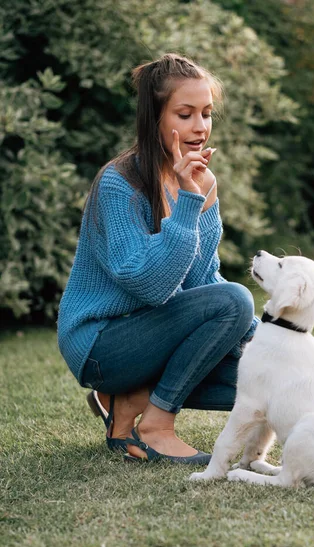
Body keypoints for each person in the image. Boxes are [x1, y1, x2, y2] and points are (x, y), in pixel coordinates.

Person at [57, 53, 258, 465]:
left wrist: (260, 338)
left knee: (260, 380)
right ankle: (156, 424)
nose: (200, 127)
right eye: (185, 114)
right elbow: (150, 284)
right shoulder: (119, 183)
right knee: (236, 299)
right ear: (155, 117)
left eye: (206, 113)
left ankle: (129, 400)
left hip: (154, 337)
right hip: (101, 342)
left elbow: (202, 280)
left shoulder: (201, 180)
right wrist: (188, 203)